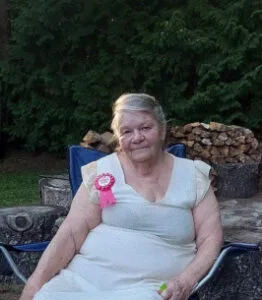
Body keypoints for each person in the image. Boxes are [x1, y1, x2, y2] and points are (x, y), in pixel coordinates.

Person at [20, 93, 223, 300]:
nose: (137, 137)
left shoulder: (193, 176)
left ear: (162, 130)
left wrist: (186, 280)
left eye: (145, 128)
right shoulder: (101, 172)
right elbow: (71, 233)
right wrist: (34, 284)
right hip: (84, 280)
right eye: (127, 131)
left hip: (151, 287)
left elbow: (210, 238)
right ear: (119, 137)